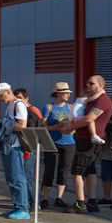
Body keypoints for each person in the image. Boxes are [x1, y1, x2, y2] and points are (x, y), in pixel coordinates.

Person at [51, 75, 112, 214]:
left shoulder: (103, 100)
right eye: (87, 83)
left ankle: (80, 203)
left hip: (88, 141)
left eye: (91, 83)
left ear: (100, 85)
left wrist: (70, 128)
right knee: (90, 170)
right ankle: (91, 202)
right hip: (86, 139)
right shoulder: (96, 98)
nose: (88, 85)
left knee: (77, 172)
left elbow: (89, 119)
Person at [0, 82, 30, 220]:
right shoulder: (11, 106)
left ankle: (23, 208)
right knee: (11, 178)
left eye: (0, 96)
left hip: (15, 146)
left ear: (7, 91)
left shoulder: (19, 105)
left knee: (17, 178)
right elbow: (10, 124)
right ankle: (17, 206)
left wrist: (0, 123)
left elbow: (22, 126)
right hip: (8, 145)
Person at [41, 81, 82, 209]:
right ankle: (45, 198)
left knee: (64, 170)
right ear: (58, 94)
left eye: (68, 93)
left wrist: (70, 126)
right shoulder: (49, 107)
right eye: (65, 93)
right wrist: (56, 127)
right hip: (52, 142)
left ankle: (59, 198)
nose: (68, 95)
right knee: (49, 170)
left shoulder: (71, 107)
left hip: (68, 142)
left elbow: (76, 123)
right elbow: (43, 127)